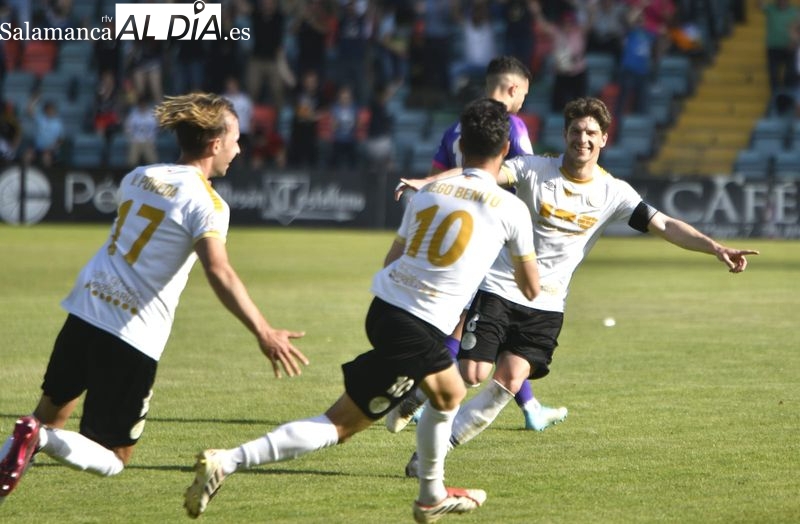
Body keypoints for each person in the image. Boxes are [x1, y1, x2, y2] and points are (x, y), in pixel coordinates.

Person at [182, 98, 542, 523]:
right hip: (416, 324)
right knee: (450, 393)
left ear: (461, 147)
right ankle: (430, 496)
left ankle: (227, 461)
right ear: (505, 152)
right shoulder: (511, 209)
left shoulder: (430, 192)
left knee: (340, 424)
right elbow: (531, 288)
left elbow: (392, 261)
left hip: (386, 309)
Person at [394, 96, 759, 478]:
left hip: (547, 305)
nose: (581, 138)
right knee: (471, 374)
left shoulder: (613, 192)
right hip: (500, 287)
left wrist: (715, 247)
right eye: (575, 130)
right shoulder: (533, 169)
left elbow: (665, 225)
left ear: (604, 139)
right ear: (565, 134)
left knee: (508, 382)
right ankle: (420, 390)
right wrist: (426, 182)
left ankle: (429, 456)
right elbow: (478, 175)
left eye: (590, 132)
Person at [0, 93, 309, 501]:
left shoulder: (139, 176)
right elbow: (218, 269)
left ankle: (29, 443)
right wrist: (263, 330)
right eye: (235, 139)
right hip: (132, 332)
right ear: (215, 143)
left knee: (48, 414)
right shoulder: (209, 202)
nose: (239, 149)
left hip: (85, 310)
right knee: (114, 457)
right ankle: (38, 440)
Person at [389, 55, 567, 434]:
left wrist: (423, 183)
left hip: (453, 234)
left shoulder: (458, 126)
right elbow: (525, 175)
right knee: (486, 321)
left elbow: (442, 176)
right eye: (524, 95)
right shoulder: (511, 125)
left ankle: (530, 405)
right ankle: (422, 390)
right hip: (491, 236)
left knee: (474, 323)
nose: (522, 103)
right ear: (515, 89)